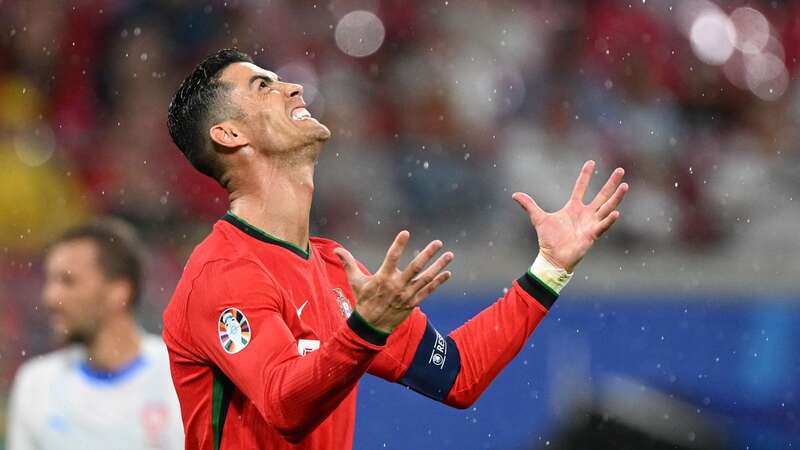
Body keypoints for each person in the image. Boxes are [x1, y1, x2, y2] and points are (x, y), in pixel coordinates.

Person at [163, 49, 628, 450]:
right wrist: (364, 330)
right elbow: (285, 404)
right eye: (263, 85)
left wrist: (549, 268)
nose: (293, 87)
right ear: (229, 135)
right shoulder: (224, 273)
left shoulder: (334, 269)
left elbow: (458, 374)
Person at [6, 219, 184, 450]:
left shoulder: (179, 378)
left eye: (68, 281)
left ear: (118, 292)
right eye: (49, 281)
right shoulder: (36, 385)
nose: (50, 297)